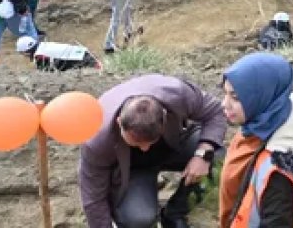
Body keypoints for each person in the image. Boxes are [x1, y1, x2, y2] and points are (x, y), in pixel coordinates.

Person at [79, 74, 227, 228]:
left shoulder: (177, 94)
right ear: (119, 123)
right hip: (132, 169)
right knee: (138, 220)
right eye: (136, 143)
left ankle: (174, 214)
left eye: (150, 141)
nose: (145, 148)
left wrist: (202, 154)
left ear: (164, 118)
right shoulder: (97, 137)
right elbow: (93, 199)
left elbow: (216, 112)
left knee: (217, 159)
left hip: (174, 146)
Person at [220, 53, 293, 228]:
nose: (224, 104)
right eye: (225, 93)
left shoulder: (278, 170)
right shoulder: (267, 117)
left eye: (236, 97)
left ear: (261, 97)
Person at [16, 35, 102, 71]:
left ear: (26, 51)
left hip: (88, 64)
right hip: (85, 54)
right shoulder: (43, 46)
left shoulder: (40, 56)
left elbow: (48, 75)